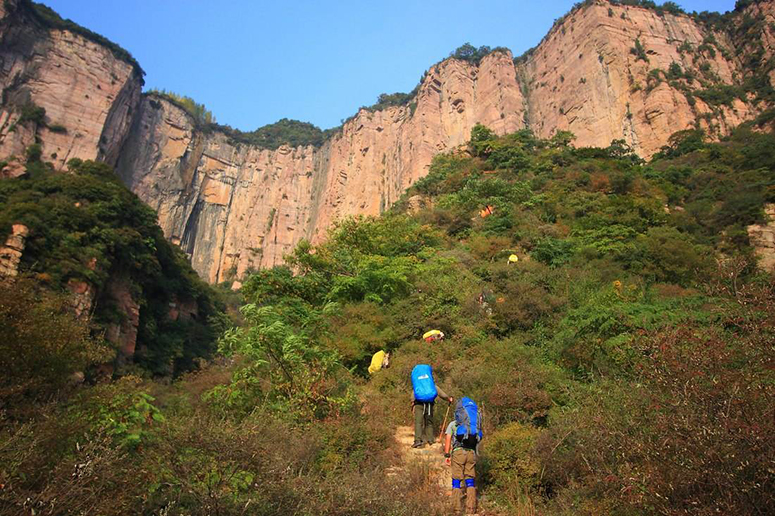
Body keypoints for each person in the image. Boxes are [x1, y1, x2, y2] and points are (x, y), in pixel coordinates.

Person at [444, 398, 482, 515]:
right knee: (470, 480)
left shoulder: (453, 424)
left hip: (458, 452)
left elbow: (448, 440)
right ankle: (471, 509)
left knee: (457, 480)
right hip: (471, 453)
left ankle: (457, 509)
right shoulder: (473, 425)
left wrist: (447, 455)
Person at [410, 367, 452, 448]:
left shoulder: (418, 384)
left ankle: (418, 440)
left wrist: (412, 403)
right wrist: (448, 398)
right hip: (429, 405)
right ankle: (430, 440)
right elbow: (441, 394)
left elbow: (413, 395)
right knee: (429, 423)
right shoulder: (431, 385)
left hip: (419, 404)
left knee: (418, 423)